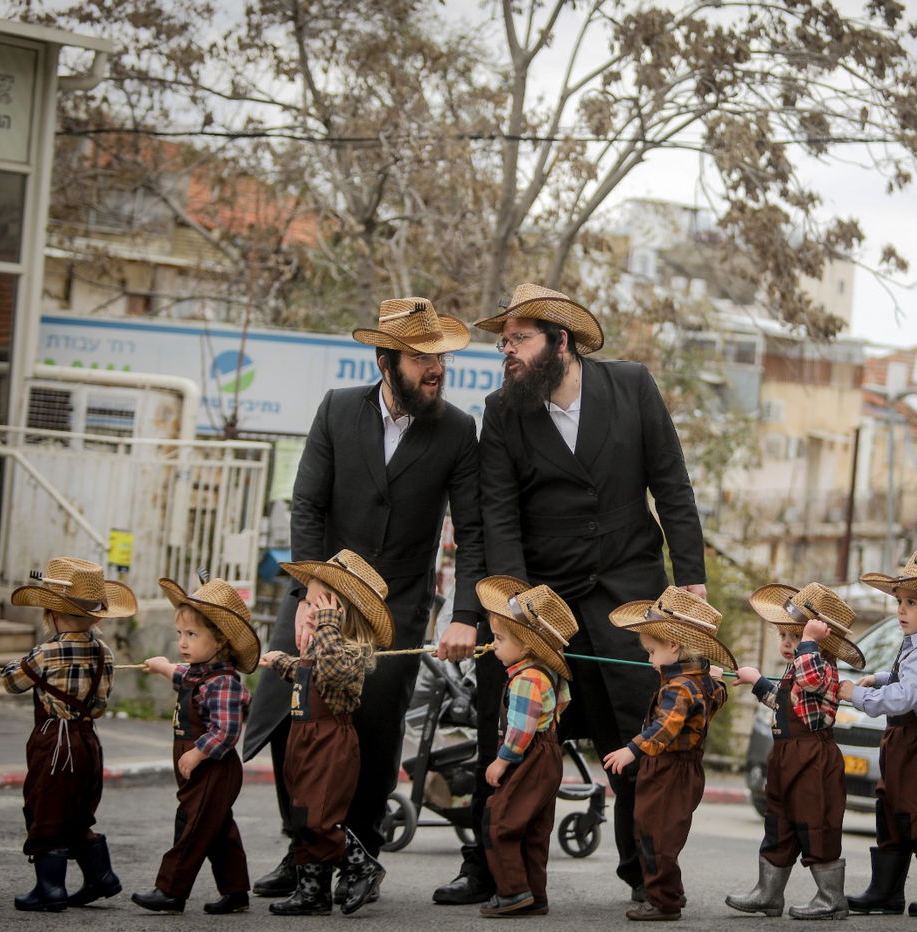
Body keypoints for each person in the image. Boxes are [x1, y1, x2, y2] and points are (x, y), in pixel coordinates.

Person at [443, 283, 707, 906]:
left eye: (518, 338)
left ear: (561, 342)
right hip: (543, 603)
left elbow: (672, 484)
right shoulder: (503, 409)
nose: (505, 350)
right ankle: (499, 874)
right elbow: (499, 514)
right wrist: (513, 602)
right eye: (503, 340)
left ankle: (645, 877)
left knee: (639, 735)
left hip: (627, 591)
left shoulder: (632, 385)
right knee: (513, 732)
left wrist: (689, 576)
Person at [243, 298, 486, 900]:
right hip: (321, 591)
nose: (436, 368)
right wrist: (312, 587)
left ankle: (360, 856)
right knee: (283, 715)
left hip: (398, 604)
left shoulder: (458, 429)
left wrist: (463, 614)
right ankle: (307, 850)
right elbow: (308, 504)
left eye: (441, 358)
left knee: (373, 730)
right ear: (384, 359)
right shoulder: (337, 408)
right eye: (421, 357)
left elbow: (474, 531)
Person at [259, 551, 393, 916]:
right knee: (303, 817)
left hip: (329, 743)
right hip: (304, 740)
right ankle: (311, 891)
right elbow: (309, 674)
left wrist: (329, 625)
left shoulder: (345, 650)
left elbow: (331, 674)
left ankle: (362, 867)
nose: (310, 609)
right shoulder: (321, 645)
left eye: (318, 602)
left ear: (340, 611)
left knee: (320, 818)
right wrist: (280, 661)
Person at [1, 558, 133, 913]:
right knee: (75, 811)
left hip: (55, 741)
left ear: (52, 615)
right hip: (88, 740)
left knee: (45, 808)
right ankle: (101, 877)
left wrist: (13, 665)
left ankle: (50, 891)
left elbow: (12, 682)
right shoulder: (104, 653)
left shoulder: (46, 652)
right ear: (97, 617)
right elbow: (100, 704)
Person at [727, 582, 865, 920]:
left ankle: (831, 897)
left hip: (812, 757)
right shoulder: (799, 666)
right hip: (786, 754)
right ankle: (768, 893)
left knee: (815, 821)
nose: (789, 644)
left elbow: (812, 680)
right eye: (784, 637)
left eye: (795, 637)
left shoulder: (821, 666)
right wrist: (757, 681)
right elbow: (784, 702)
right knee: (779, 820)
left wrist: (809, 642)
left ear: (819, 640)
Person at [132, 573, 259, 915]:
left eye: (192, 635)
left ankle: (170, 891)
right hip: (199, 768)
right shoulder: (198, 672)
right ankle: (235, 892)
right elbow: (181, 677)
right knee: (216, 828)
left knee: (191, 827)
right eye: (180, 635)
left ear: (220, 640)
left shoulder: (223, 683)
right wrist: (162, 668)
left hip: (214, 768)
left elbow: (227, 729)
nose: (183, 643)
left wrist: (198, 752)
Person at [603, 587, 733, 921]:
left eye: (651, 651)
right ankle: (669, 892)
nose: (649, 659)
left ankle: (663, 901)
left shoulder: (679, 687)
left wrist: (632, 750)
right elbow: (717, 698)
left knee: (655, 833)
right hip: (686, 769)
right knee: (663, 831)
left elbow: (665, 727)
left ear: (673, 646)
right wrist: (712, 678)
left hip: (668, 769)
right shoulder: (701, 683)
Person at [840, 553, 917, 916]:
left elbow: (906, 696)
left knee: (916, 813)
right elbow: (908, 683)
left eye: (912, 603)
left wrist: (856, 694)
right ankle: (886, 890)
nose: (901, 611)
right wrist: (878, 678)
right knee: (889, 808)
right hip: (900, 740)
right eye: (899, 602)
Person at [473, 576, 577, 918]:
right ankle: (535, 893)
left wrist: (503, 760)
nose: (494, 644)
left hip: (529, 754)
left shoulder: (526, 680)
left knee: (501, 819)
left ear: (527, 646)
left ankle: (513, 892)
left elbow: (520, 728)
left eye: (500, 639)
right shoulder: (548, 674)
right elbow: (562, 702)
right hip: (549, 753)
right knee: (535, 827)